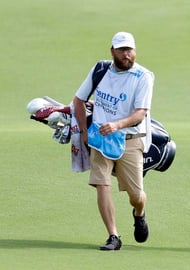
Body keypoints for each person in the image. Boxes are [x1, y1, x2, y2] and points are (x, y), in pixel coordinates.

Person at [73, 31, 154, 251]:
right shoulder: (100, 70)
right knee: (102, 185)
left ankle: (139, 213)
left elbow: (140, 114)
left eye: (130, 50)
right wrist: (83, 132)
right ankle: (113, 236)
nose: (127, 55)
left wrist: (117, 125)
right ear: (112, 51)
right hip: (101, 139)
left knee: (136, 196)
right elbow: (79, 100)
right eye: (121, 50)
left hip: (130, 140)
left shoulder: (143, 76)